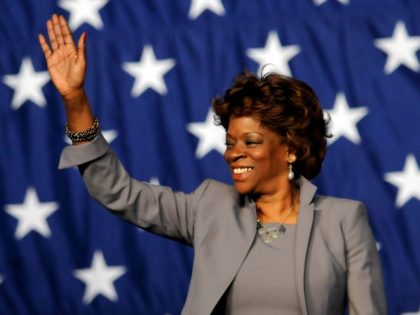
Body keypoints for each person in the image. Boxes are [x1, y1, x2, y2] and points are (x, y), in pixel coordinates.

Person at [39, 14, 387, 315]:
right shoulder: (210, 206)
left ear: (291, 148)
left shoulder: (344, 220)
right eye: (230, 142)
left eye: (251, 142)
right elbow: (119, 193)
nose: (233, 153)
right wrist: (75, 100)